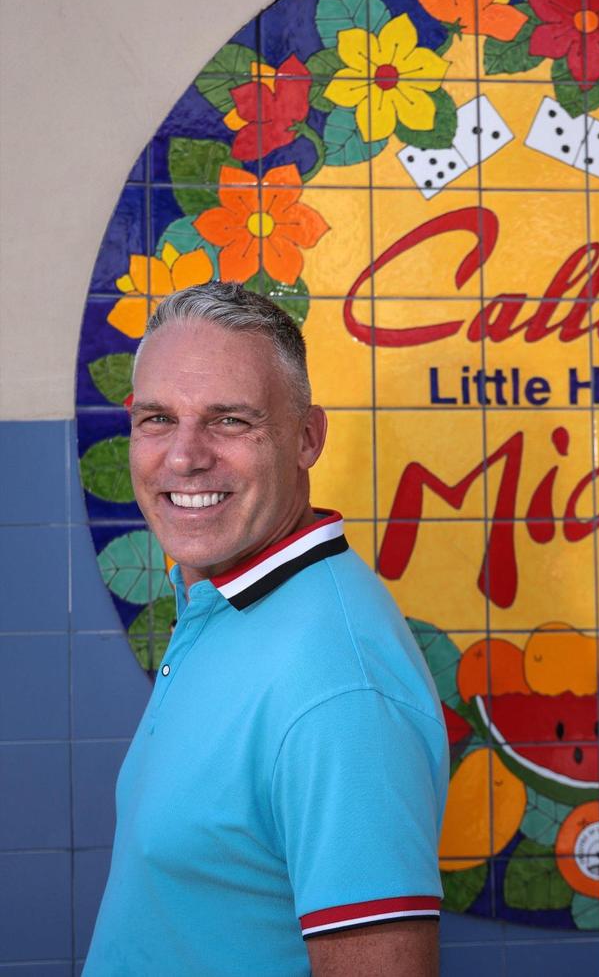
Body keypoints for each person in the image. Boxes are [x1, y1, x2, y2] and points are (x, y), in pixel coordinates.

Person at [85, 282, 448, 976]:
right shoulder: (222, 598)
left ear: (307, 437)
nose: (185, 458)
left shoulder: (339, 692)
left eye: (230, 421)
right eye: (158, 419)